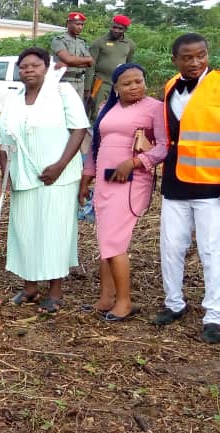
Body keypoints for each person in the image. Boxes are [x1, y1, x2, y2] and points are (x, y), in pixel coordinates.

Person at [0, 47, 90, 314]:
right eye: (24, 66)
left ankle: (55, 291)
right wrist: (7, 174)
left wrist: (60, 166)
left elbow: (79, 129)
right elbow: (4, 139)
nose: (29, 70)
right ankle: (29, 287)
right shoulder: (13, 98)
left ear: (46, 67)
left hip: (57, 177)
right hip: (23, 175)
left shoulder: (62, 93)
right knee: (25, 231)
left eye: (35, 65)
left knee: (54, 232)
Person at [77, 64, 166, 321]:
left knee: (114, 240)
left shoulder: (154, 108)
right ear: (116, 87)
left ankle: (125, 302)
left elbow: (163, 148)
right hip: (105, 183)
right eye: (127, 83)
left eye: (139, 81)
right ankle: (106, 299)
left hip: (131, 182)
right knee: (106, 238)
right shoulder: (107, 107)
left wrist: (134, 163)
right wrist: (86, 180)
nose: (135, 86)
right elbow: (96, 146)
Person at [152, 33, 220, 343]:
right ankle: (174, 303)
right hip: (175, 182)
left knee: (211, 251)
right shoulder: (169, 87)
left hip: (211, 183)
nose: (195, 62)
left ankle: (214, 315)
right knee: (171, 246)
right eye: (188, 58)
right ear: (175, 60)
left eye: (201, 55)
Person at [88, 15, 135, 117]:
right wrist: (87, 88)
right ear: (111, 26)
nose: (116, 30)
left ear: (125, 30)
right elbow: (89, 65)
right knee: (97, 112)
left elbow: (128, 65)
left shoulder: (130, 44)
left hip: (118, 85)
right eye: (114, 27)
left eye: (120, 28)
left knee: (115, 112)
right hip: (100, 82)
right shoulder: (99, 42)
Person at [52, 12, 94, 103]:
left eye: (82, 25)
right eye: (77, 24)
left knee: (77, 110)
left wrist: (71, 62)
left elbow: (90, 62)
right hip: (65, 81)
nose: (80, 27)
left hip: (80, 81)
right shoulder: (59, 40)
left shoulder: (81, 42)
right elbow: (68, 59)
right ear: (68, 23)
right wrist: (73, 61)